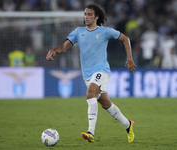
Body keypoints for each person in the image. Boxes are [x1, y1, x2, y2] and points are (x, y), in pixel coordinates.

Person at [46, 4, 137, 143]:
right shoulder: (78, 31)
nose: (86, 17)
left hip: (102, 71)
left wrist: (129, 59)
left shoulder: (105, 31)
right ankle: (128, 125)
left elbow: (125, 39)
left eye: (89, 14)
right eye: (85, 14)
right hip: (86, 74)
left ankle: (91, 132)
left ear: (96, 17)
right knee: (106, 105)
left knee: (90, 94)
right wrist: (54, 50)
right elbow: (64, 47)